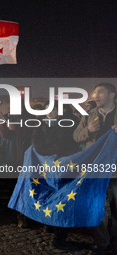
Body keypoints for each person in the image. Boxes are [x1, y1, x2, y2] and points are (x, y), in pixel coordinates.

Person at [73, 83, 117, 254]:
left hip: (114, 171)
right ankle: (103, 242)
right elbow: (76, 136)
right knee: (91, 207)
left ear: (112, 95)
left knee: (115, 210)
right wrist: (88, 130)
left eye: (101, 92)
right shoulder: (89, 115)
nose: (96, 96)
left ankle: (114, 244)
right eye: (95, 92)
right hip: (94, 170)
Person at [32, 101, 79, 248]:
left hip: (63, 167)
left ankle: (60, 235)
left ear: (61, 110)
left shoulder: (66, 124)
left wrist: (46, 149)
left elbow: (62, 144)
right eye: (46, 109)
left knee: (61, 199)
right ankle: (50, 224)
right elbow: (36, 143)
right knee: (49, 195)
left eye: (52, 109)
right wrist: (46, 150)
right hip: (47, 167)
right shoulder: (40, 124)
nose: (48, 111)